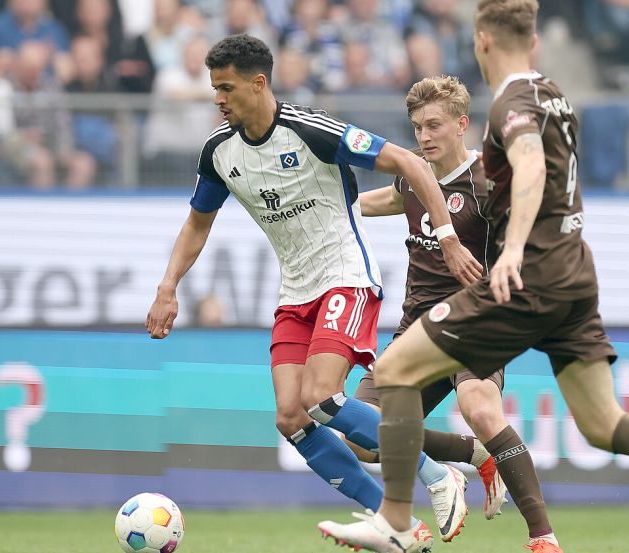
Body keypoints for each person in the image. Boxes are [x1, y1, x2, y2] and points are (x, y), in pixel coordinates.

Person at [317, 2, 629, 553]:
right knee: (604, 422)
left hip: (527, 276)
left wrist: (511, 251)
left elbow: (529, 165)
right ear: (533, 41)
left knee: (396, 371)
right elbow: (396, 197)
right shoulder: (553, 93)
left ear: (483, 42)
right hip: (573, 273)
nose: (426, 135)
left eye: (434, 125)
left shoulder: (512, 102)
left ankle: (399, 519)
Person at [144, 34, 483, 550]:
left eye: (226, 88)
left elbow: (412, 164)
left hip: (346, 277)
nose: (218, 98)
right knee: (290, 416)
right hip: (294, 292)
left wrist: (449, 237)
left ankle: (438, 476)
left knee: (322, 397)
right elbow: (197, 222)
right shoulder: (219, 151)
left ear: (258, 84)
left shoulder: (312, 130)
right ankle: (394, 524)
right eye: (214, 88)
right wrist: (168, 287)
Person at [347, 74, 563, 551]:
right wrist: (321, 207)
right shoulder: (410, 174)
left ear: (461, 124)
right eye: (417, 127)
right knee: (360, 436)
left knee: (479, 407)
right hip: (416, 327)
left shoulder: (488, 179)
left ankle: (543, 537)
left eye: (434, 125)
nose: (424, 136)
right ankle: (472, 456)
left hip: (474, 320)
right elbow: (384, 200)